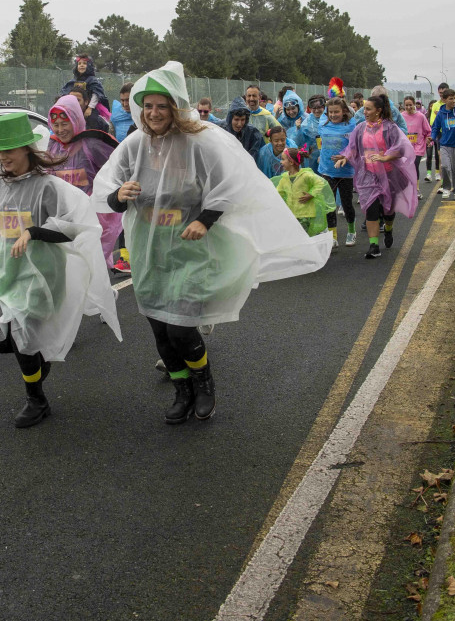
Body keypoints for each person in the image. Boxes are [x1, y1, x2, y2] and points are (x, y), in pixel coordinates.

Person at [91, 61, 331, 425]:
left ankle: (204, 385)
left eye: (162, 105)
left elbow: (233, 183)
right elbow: (107, 186)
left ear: (176, 106)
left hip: (192, 251)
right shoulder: (135, 144)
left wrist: (205, 220)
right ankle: (181, 390)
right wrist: (118, 195)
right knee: (159, 327)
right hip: (149, 249)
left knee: (180, 327)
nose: (154, 113)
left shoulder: (200, 142)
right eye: (148, 106)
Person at [0, 113, 121, 428]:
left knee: (24, 340)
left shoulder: (48, 187)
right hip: (8, 270)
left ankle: (36, 399)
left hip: (41, 272)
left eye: (9, 150)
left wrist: (34, 233)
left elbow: (73, 228)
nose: (3, 157)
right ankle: (39, 360)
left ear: (27, 149)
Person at [335, 94, 418, 259]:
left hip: (389, 175)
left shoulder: (390, 128)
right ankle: (374, 245)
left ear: (378, 111)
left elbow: (402, 148)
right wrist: (345, 157)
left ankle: (388, 229)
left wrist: (385, 157)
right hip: (368, 176)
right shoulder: (360, 128)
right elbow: (353, 148)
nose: (364, 112)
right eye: (364, 108)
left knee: (388, 210)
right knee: (370, 210)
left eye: (368, 109)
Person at [47, 94, 124, 268]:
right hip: (63, 216)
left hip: (92, 219)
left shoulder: (92, 143)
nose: (60, 130)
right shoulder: (53, 146)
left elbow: (118, 168)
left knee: (90, 266)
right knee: (68, 267)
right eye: (56, 125)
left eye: (65, 123)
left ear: (75, 119)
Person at [317, 97, 358, 248]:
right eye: (330, 112)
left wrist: (346, 156)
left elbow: (355, 146)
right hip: (327, 170)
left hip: (345, 172)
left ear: (344, 111)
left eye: (337, 112)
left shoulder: (351, 125)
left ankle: (352, 231)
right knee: (329, 205)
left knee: (347, 204)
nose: (333, 115)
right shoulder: (323, 123)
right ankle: (333, 235)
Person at [272, 147, 335, 237]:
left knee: (304, 237)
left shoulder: (306, 175)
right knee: (296, 237)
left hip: (306, 214)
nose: (281, 162)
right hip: (293, 214)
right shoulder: (284, 178)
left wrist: (311, 194)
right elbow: (279, 192)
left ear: (291, 162)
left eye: (283, 159)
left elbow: (320, 183)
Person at [60, 54, 110, 121]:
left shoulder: (93, 80)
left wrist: (90, 108)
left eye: (84, 63)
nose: (81, 65)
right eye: (79, 63)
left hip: (92, 107)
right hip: (75, 108)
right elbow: (65, 94)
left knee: (92, 119)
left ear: (89, 66)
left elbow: (96, 94)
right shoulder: (73, 81)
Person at [402, 95, 432, 199]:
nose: (409, 107)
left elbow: (428, 131)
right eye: (406, 105)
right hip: (406, 147)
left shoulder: (420, 116)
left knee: (414, 165)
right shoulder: (402, 116)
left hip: (418, 146)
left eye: (410, 105)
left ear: (414, 105)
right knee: (406, 168)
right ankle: (408, 188)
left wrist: (429, 140)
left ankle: (417, 189)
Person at [292, 93, 325, 173]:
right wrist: (298, 128)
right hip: (312, 159)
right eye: (314, 108)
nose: (316, 110)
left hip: (328, 157)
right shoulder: (307, 122)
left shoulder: (331, 118)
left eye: (319, 107)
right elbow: (299, 142)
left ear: (324, 106)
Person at [427, 84, 449, 180]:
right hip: (440, 134)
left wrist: (441, 115)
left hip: (452, 133)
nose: (442, 94)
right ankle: (443, 182)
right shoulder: (435, 105)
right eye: (440, 93)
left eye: (444, 92)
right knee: (441, 158)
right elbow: (432, 122)